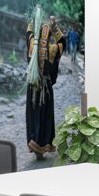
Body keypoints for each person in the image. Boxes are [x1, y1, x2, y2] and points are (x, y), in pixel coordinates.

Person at [25, 8, 64, 159]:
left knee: (34, 115)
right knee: (45, 116)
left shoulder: (32, 46)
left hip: (33, 86)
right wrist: (55, 27)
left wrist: (35, 18)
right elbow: (62, 42)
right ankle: (44, 145)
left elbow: (28, 32)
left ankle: (35, 144)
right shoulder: (53, 49)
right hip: (46, 87)